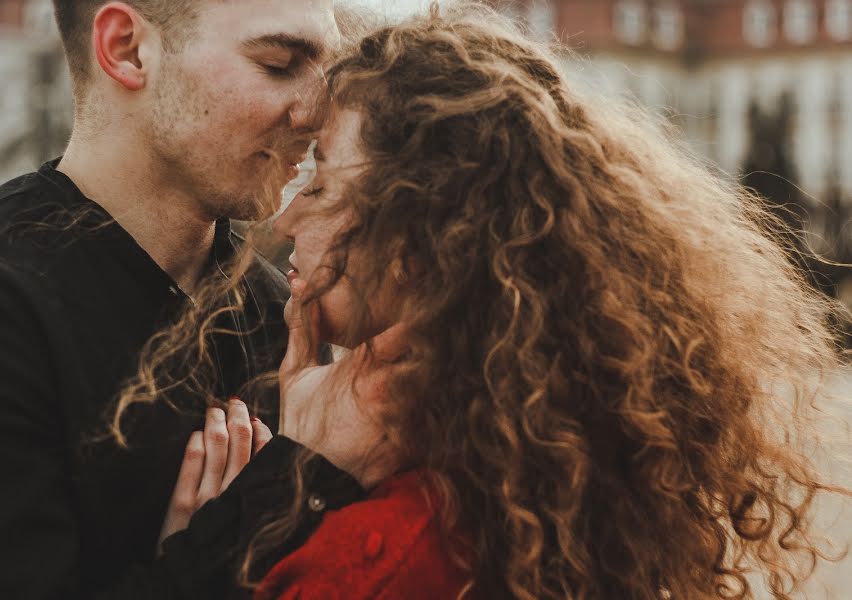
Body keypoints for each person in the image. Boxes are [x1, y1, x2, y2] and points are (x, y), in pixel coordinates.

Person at [147, 4, 850, 598]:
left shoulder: (390, 550)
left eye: (322, 182)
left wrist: (214, 546)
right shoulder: (549, 468)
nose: (286, 221)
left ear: (420, 240)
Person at [0, 1, 343, 598]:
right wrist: (214, 553)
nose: (320, 113)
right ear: (128, 49)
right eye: (280, 63)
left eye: (328, 74)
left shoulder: (283, 311)